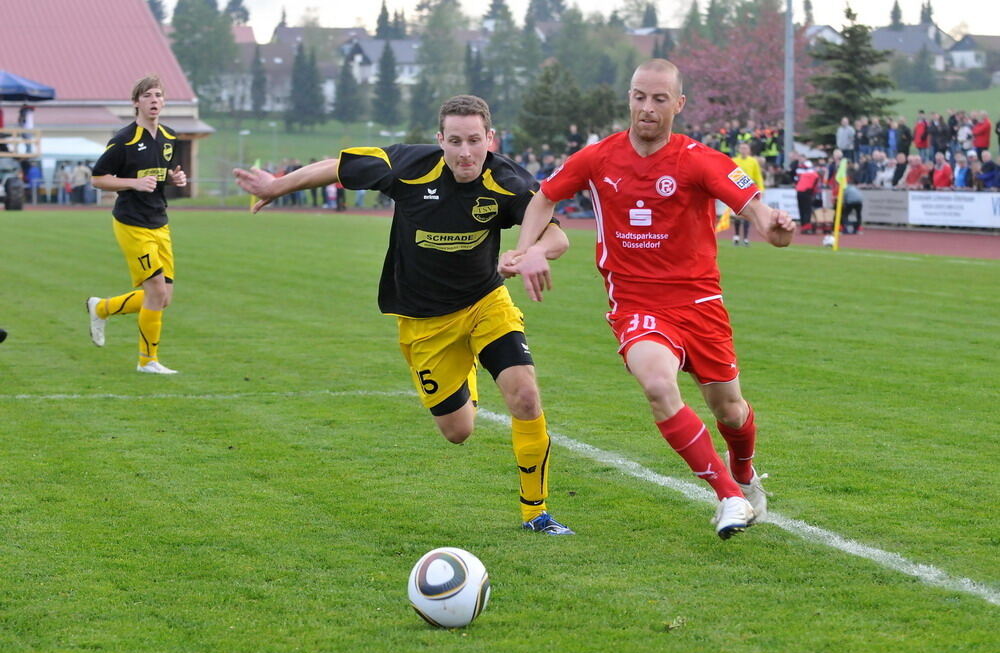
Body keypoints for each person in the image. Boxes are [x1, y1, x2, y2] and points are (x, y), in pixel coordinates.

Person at [233, 95, 575, 536]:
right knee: (457, 431)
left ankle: (536, 513)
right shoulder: (410, 166)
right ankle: (464, 373)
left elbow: (556, 234)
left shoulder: (506, 179)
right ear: (440, 140)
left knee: (525, 396)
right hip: (424, 321)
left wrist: (533, 253)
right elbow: (339, 166)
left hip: (485, 304)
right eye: (455, 141)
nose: (465, 152)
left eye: (475, 140)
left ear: (490, 139)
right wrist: (277, 186)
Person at [503, 59, 795, 539]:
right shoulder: (597, 158)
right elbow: (544, 197)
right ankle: (730, 496)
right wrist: (524, 249)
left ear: (678, 105)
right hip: (636, 306)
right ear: (629, 99)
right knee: (659, 387)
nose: (647, 108)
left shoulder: (699, 159)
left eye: (659, 99)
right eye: (640, 96)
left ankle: (742, 471)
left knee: (731, 412)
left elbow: (758, 214)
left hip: (700, 306)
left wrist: (776, 228)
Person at [86, 74, 187, 374]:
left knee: (163, 297)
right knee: (155, 290)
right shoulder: (123, 140)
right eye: (147, 96)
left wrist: (174, 178)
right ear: (136, 103)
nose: (154, 100)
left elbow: (161, 174)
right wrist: (132, 183)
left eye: (158, 95)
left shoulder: (169, 137)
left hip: (160, 221)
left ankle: (101, 308)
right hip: (131, 222)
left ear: (164, 101)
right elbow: (97, 178)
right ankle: (148, 362)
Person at [730, 142, 764, 246]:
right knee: (737, 214)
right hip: (736, 191)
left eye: (745, 148)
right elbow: (730, 175)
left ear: (749, 150)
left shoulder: (753, 161)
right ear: (739, 150)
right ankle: (736, 236)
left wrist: (761, 188)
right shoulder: (734, 161)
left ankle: (745, 238)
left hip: (749, 191)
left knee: (747, 214)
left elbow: (757, 175)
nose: (743, 150)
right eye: (742, 148)